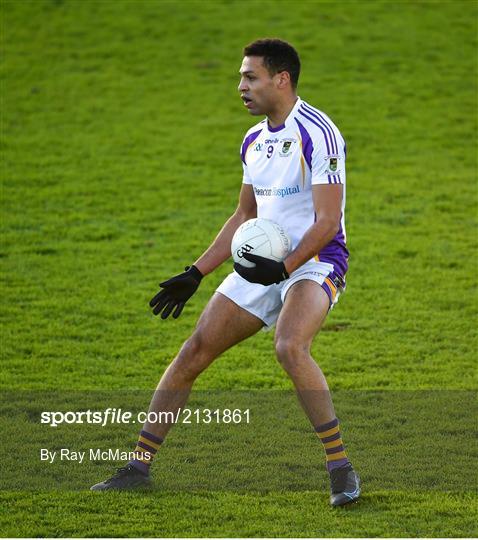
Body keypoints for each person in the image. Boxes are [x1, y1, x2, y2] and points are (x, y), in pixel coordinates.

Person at [91, 38, 360, 506]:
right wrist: (195, 272)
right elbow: (243, 216)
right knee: (194, 350)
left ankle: (340, 468)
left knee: (290, 345)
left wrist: (286, 266)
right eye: (241, 77)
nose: (240, 86)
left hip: (314, 262)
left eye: (249, 77)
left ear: (282, 79)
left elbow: (327, 222)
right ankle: (137, 467)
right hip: (262, 264)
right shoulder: (253, 141)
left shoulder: (319, 132)